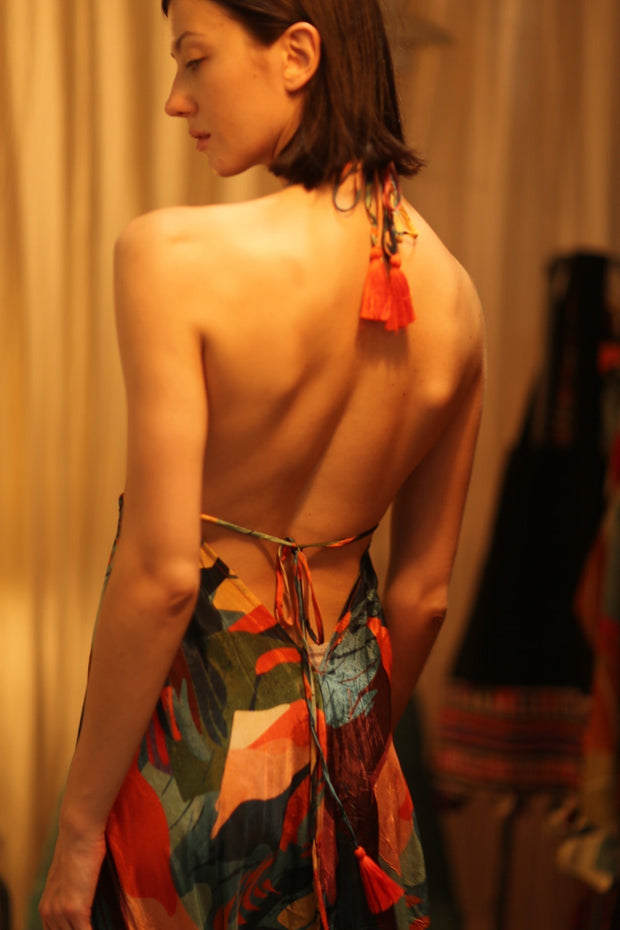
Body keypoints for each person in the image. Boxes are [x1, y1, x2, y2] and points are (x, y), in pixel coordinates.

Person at [39, 0, 484, 928]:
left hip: (200, 768)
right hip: (358, 774)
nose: (176, 98)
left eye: (193, 59)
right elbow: (423, 598)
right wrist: (345, 753)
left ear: (297, 54)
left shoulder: (171, 257)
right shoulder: (459, 303)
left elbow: (165, 577)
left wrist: (78, 831)